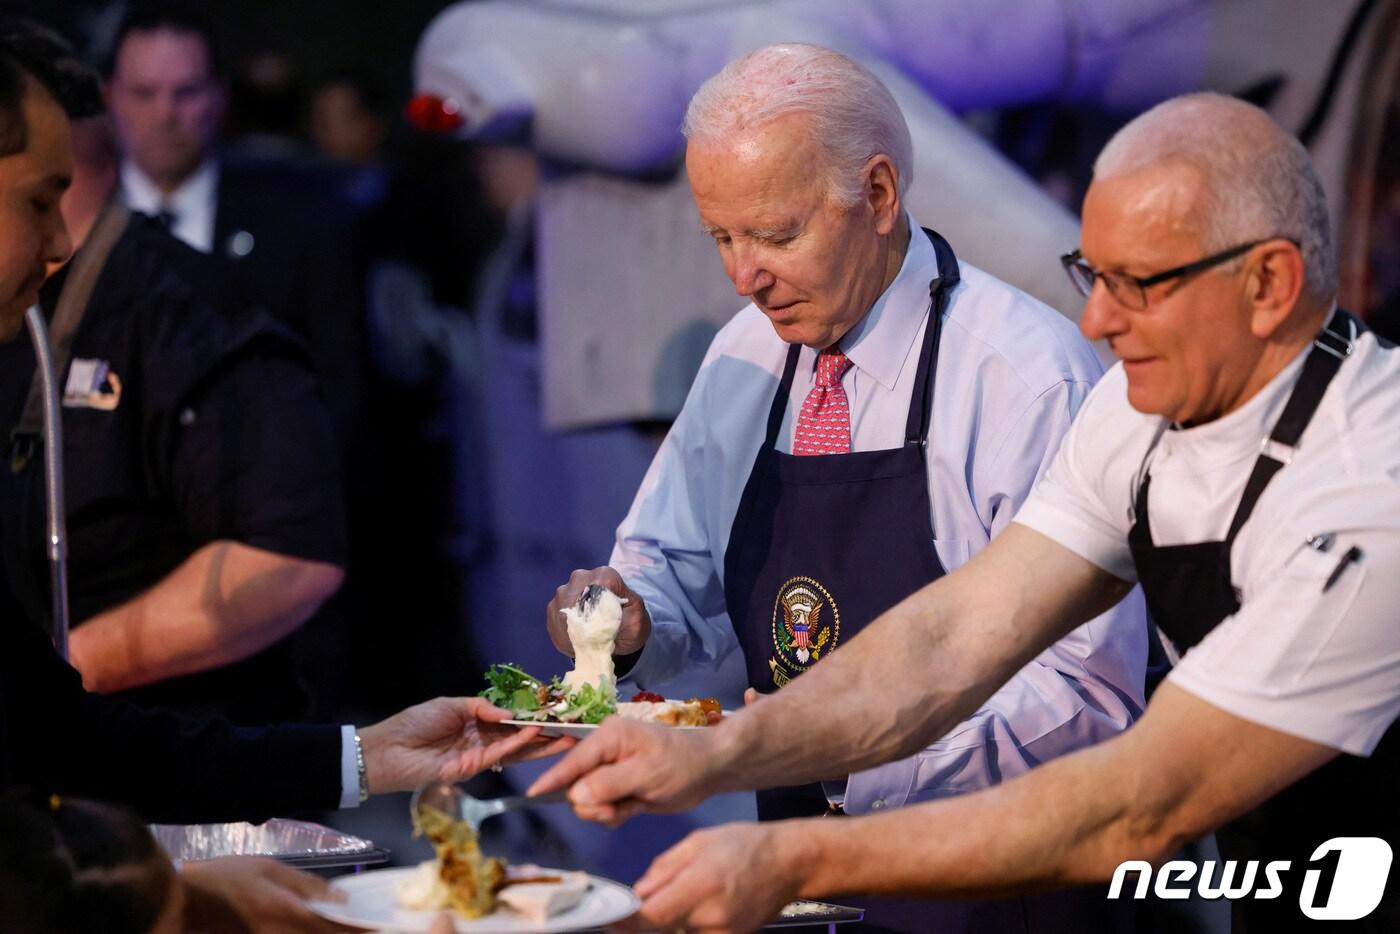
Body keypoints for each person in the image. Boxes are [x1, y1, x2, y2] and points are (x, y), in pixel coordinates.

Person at [532, 91, 1400, 932]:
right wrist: (719, 753)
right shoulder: (1138, 413)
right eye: (1090, 275)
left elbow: (1137, 807)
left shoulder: (1370, 497)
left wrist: (800, 857)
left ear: (1269, 283)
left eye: (1136, 285)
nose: (1097, 317)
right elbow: (952, 639)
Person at [544, 43, 1147, 931]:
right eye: (721, 236)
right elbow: (673, 578)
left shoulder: (1025, 377)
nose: (741, 277)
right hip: (792, 884)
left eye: (775, 235)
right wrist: (631, 626)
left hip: (991, 891)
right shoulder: (743, 359)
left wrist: (848, 749)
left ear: (876, 195)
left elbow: (1089, 699)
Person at [0, 18, 567, 922]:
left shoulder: (210, 296)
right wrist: (169, 905)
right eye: (40, 201)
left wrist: (364, 757)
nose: (60, 246)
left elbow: (65, 735)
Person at [0, 105, 347, 725]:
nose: (57, 243)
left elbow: (291, 556)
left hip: (159, 739)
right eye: (144, 92)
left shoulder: (191, 305)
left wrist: (58, 674)